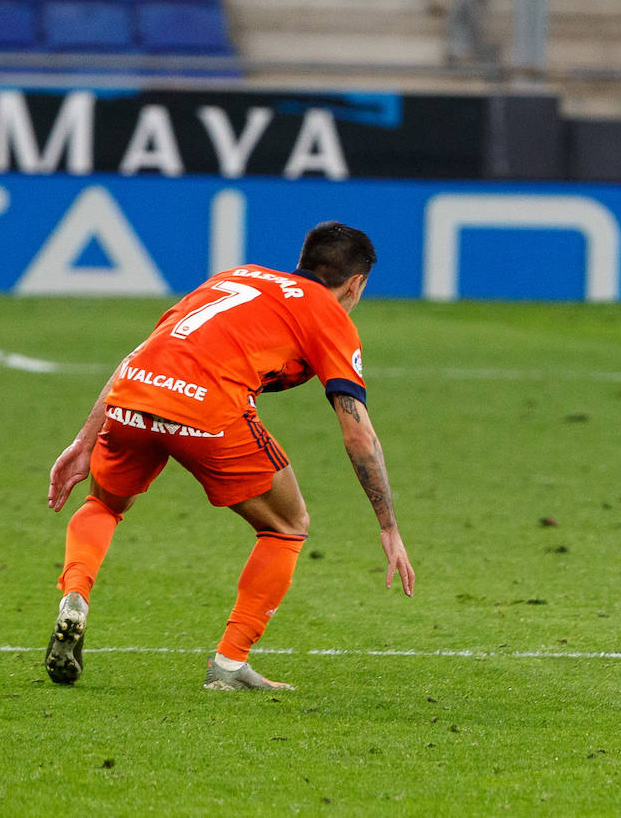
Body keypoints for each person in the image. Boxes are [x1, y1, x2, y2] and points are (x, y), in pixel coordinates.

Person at [44, 221, 415, 690]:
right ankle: (229, 664)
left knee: (103, 505)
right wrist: (388, 526)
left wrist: (84, 440)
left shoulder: (235, 277)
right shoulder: (329, 314)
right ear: (355, 284)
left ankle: (75, 596)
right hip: (208, 410)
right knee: (287, 524)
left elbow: (140, 354)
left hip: (134, 394)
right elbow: (359, 434)